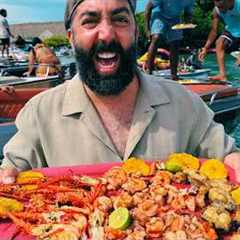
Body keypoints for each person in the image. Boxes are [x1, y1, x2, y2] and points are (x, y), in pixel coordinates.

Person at [0, 0, 240, 184]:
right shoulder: (40, 114)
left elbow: (228, 156)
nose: (107, 34)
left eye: (120, 20)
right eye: (90, 21)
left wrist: (234, 163)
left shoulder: (186, 104)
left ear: (136, 33)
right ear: (71, 38)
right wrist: (8, 176)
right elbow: (12, 172)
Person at [143, 0, 195, 80]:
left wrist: (187, 24)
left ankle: (174, 74)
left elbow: (188, 13)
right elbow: (148, 8)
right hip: (159, 15)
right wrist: (147, 30)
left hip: (175, 18)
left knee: (175, 43)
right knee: (156, 38)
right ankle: (149, 71)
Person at [199, 0, 240, 81]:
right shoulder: (216, 11)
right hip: (231, 31)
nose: (221, 10)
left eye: (222, 7)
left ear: (230, 1)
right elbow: (214, 31)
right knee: (219, 42)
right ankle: (222, 74)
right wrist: (205, 48)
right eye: (218, 7)